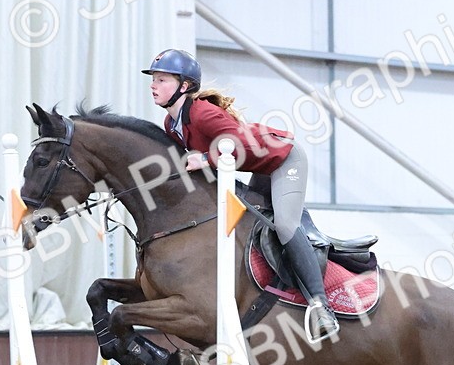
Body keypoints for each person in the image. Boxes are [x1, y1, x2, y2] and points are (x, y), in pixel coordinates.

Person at [143, 48, 340, 342]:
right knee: (255, 224)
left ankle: (321, 307)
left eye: (161, 79)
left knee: (285, 225)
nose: (153, 85)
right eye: (153, 80)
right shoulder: (172, 125)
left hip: (284, 160)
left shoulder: (202, 113)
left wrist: (206, 160)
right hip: (258, 168)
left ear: (184, 86)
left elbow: (243, 146)